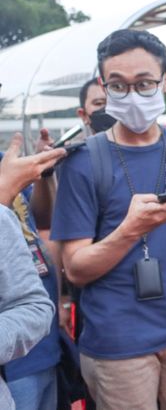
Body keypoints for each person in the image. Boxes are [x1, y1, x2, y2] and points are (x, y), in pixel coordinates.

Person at [51, 29, 166, 410]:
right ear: (103, 85)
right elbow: (76, 269)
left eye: (144, 84)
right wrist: (131, 230)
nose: (132, 95)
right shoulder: (83, 162)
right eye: (118, 85)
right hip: (119, 346)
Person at [1, 132, 65, 410]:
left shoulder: (7, 163)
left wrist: (46, 174)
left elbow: (43, 219)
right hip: (12, 362)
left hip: (38, 334)